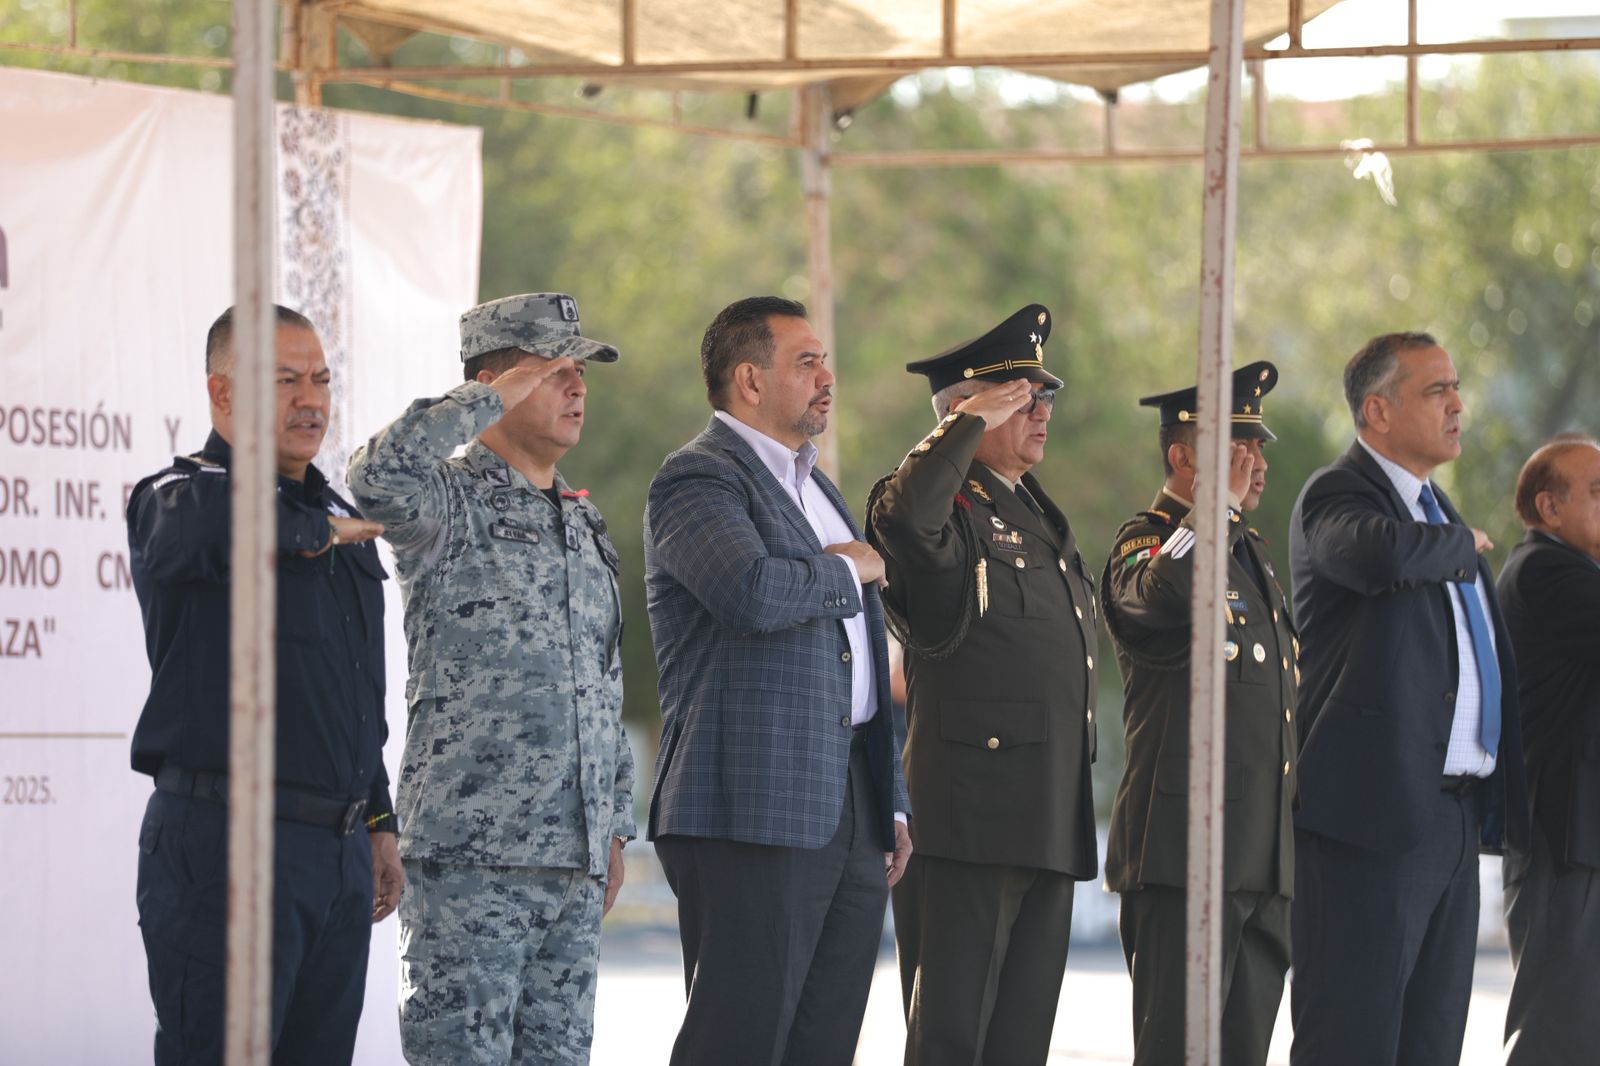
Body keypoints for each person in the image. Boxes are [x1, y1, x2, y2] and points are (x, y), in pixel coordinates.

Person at [346, 293, 635, 1065]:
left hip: (568, 863)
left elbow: (602, 679)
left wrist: (612, 822)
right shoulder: (449, 498)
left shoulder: (580, 518)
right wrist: (483, 399)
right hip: (473, 862)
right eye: (555, 371)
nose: (577, 387)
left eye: (582, 373)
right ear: (494, 382)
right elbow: (373, 480)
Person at [643, 295, 912, 1066]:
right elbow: (751, 594)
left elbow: (858, 660)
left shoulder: (817, 487)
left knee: (823, 1044)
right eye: (807, 362)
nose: (828, 377)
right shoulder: (697, 478)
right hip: (750, 807)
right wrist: (844, 566)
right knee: (740, 1039)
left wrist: (888, 795)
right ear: (749, 381)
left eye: (825, 360)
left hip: (850, 807)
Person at [128, 304, 399, 1066]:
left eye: (319, 378)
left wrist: (379, 819)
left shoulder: (339, 514)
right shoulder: (181, 495)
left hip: (337, 852)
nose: (310, 399)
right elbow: (198, 534)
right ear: (223, 395)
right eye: (284, 380)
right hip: (228, 844)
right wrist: (314, 530)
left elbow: (349, 690)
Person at [865, 304, 1099, 1066]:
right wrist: (962, 427)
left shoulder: (1033, 511)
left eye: (1044, 398)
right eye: (1020, 398)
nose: (1041, 412)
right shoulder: (939, 505)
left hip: (1043, 812)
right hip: (968, 817)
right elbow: (903, 521)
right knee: (952, 1039)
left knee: (1018, 1042)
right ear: (968, 410)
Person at [1286, 331, 1527, 1066]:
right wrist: (1458, 547)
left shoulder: (1438, 509)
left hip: (1449, 819)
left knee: (1430, 1043)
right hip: (1372, 818)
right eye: (1436, 390)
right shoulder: (1339, 491)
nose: (1457, 405)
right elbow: (1368, 553)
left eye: (1456, 388)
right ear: (1377, 412)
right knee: (1353, 1038)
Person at [1100, 362, 1297, 1065]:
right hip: (1185, 854)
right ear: (1184, 456)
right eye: (1239, 448)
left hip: (1260, 859)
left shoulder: (1251, 560)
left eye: (1258, 448)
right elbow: (1158, 596)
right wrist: (1213, 512)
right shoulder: (1145, 541)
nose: (1257, 465)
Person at [1497, 434, 1600, 1065]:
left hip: (1579, 844)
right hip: (1565, 843)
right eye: (1596, 491)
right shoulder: (1545, 570)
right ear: (1549, 507)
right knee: (1561, 1037)